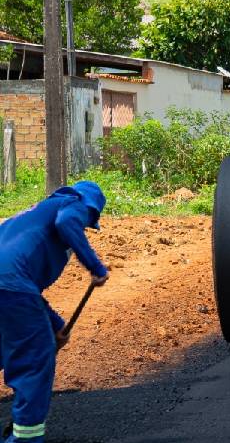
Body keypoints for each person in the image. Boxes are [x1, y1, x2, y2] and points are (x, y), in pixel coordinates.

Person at [0, 182, 109, 443]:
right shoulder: (71, 203)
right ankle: (24, 438)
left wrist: (55, 324)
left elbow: (23, 289)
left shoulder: (26, 218)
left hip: (11, 293)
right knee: (35, 359)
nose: (83, 226)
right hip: (12, 290)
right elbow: (67, 223)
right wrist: (95, 266)